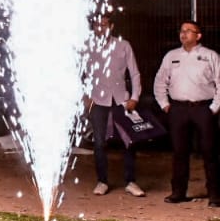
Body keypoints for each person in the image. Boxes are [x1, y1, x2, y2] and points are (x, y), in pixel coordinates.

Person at [152, 20, 220, 206]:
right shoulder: (171, 56)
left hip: (203, 109)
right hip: (178, 110)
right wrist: (165, 104)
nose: (183, 34)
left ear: (198, 36)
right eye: (182, 31)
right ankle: (178, 192)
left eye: (188, 31)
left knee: (209, 152)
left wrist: (214, 108)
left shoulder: (210, 56)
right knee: (179, 152)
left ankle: (215, 194)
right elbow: (159, 82)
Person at [85, 15, 145, 197]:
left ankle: (130, 181)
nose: (101, 28)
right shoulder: (88, 47)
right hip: (98, 101)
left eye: (104, 25)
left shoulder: (123, 45)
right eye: (97, 25)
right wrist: (85, 96)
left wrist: (134, 97)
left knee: (128, 141)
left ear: (111, 26)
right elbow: (80, 73)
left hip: (121, 100)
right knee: (99, 143)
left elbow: (134, 73)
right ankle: (102, 181)